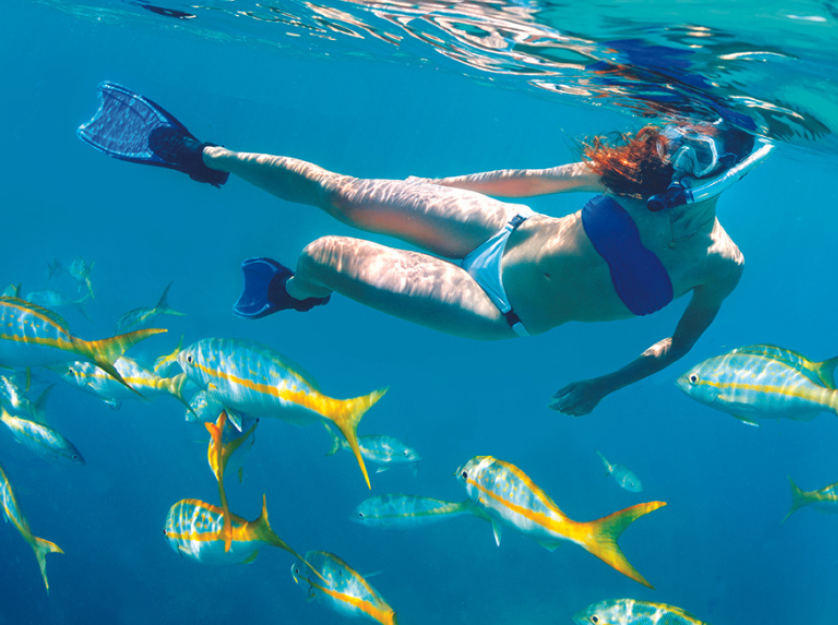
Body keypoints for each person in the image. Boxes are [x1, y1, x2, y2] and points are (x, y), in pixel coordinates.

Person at [78, 82, 772, 416]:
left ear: (729, 172)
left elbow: (678, 347)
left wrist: (601, 386)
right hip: (505, 225)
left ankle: (297, 291)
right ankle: (202, 154)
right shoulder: (637, 171)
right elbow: (529, 180)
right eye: (686, 141)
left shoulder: (720, 264)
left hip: (496, 306)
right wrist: (433, 187)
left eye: (701, 154)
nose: (682, 157)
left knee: (321, 251)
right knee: (342, 191)